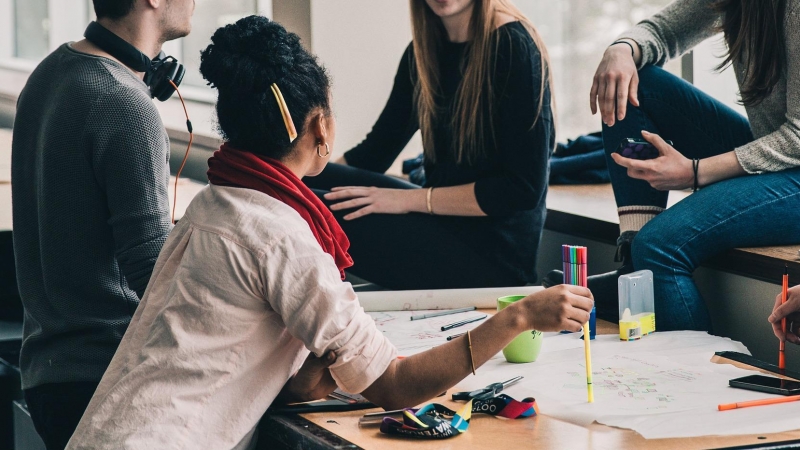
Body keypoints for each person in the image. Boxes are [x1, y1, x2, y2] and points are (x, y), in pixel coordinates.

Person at [66, 16, 593, 450]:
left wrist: (316, 366)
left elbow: (266, 370)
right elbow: (396, 386)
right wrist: (519, 315)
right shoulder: (284, 238)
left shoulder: (209, 207)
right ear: (320, 127)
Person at [545, 0, 800, 331]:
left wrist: (695, 171)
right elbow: (661, 31)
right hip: (775, 162)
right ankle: (633, 270)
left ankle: (690, 376)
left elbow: (797, 136)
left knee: (660, 246)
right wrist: (621, 48)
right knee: (638, 80)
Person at [10, 0, 194, 447]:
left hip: (50, 377)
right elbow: (155, 272)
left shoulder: (52, 71)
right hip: (105, 379)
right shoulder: (125, 104)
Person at [304, 0, 555, 290]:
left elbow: (523, 190)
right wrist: (287, 173)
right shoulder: (422, 52)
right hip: (442, 222)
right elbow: (374, 153)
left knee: (307, 208)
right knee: (293, 181)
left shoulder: (514, 47)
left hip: (494, 257)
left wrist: (403, 200)